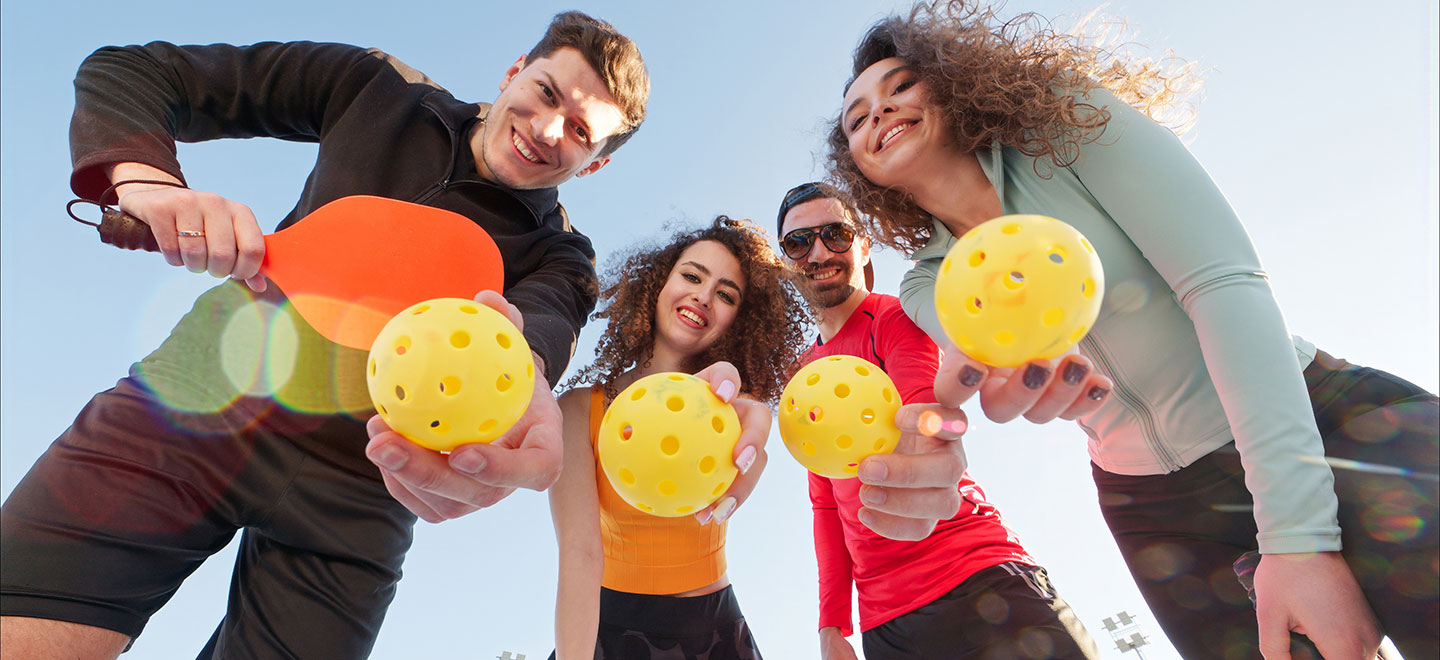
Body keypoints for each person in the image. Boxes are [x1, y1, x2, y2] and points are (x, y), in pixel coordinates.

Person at [1, 12, 653, 659]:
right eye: (546, 93)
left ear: (591, 165)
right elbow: (133, 71)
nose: (545, 129)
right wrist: (145, 180)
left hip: (361, 498)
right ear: (516, 71)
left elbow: (536, 342)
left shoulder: (564, 259)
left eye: (577, 130)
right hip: (199, 398)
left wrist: (525, 389)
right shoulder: (376, 85)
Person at [824, 2, 1439, 658]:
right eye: (857, 118)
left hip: (1325, 422)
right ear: (859, 168)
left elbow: (1222, 285)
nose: (880, 113)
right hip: (1160, 513)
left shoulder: (1066, 121)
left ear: (950, 82)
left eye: (899, 87)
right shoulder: (924, 284)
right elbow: (995, 364)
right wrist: (975, 393)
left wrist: (1299, 536)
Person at [778, 182, 1102, 660]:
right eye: (798, 242)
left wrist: (941, 432)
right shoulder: (802, 372)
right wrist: (832, 625)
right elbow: (825, 504)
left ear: (863, 245)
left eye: (836, 234)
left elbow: (928, 411)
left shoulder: (894, 317)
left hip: (978, 574)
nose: (819, 251)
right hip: (888, 622)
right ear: (786, 260)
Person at [543, 216, 808, 659]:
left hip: (716, 634)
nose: (703, 296)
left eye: (726, 294)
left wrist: (750, 447)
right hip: (601, 630)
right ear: (657, 284)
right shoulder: (578, 408)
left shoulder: (733, 411)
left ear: (739, 321)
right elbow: (579, 554)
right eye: (691, 275)